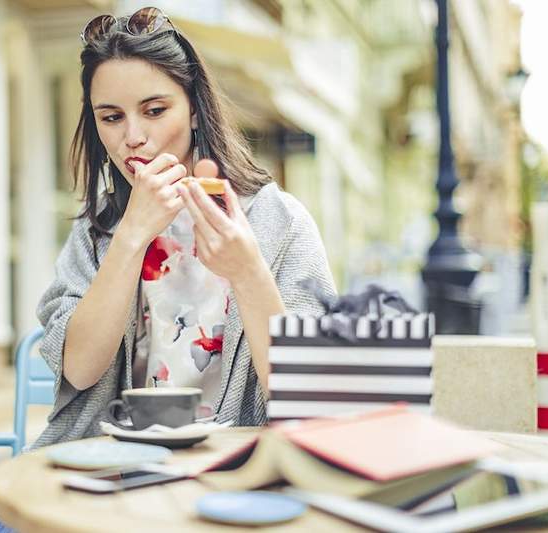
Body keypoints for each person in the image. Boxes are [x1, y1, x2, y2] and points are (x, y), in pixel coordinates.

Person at [32, 6, 335, 448]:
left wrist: (248, 269)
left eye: (154, 110)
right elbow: (79, 368)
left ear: (194, 111)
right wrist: (132, 235)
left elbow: (307, 397)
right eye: (111, 117)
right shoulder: (97, 231)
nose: (132, 136)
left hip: (239, 466)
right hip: (117, 466)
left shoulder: (279, 221)